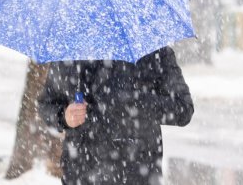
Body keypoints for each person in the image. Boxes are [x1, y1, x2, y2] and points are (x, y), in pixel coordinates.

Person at [38, 46, 194, 185]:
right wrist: (64, 116)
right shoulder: (71, 51)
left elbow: (183, 108)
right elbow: (46, 104)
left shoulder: (154, 51)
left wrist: (135, 101)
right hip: (80, 171)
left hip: (136, 171)